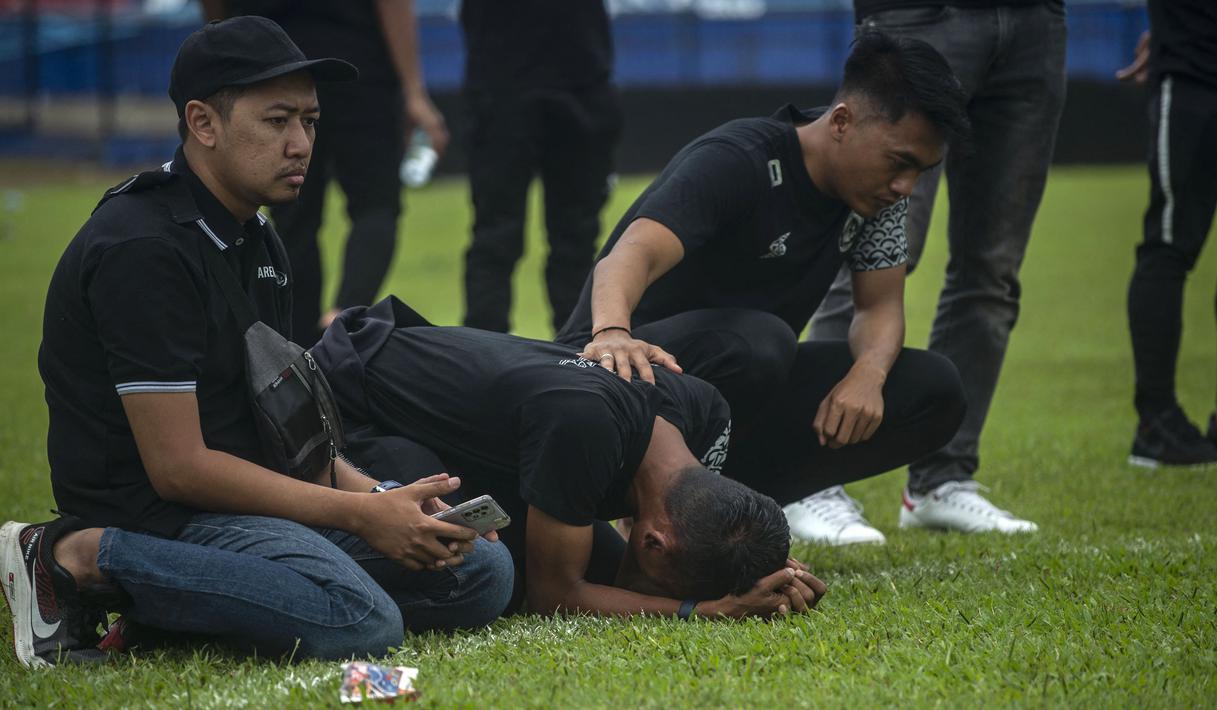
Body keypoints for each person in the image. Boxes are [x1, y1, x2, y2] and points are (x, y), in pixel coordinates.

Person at [1, 17, 511, 669]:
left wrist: (386, 502)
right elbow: (178, 468)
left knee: (482, 571)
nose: (300, 143)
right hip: (157, 515)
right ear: (203, 124)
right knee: (359, 624)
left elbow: (291, 437)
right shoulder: (143, 248)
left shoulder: (257, 238)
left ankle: (195, 611)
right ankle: (67, 555)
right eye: (277, 122)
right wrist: (359, 519)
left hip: (245, 503)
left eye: (310, 121)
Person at [555, 30, 969, 547]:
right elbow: (630, 253)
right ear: (841, 122)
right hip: (611, 380)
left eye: (921, 171)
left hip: (737, 387)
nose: (906, 186)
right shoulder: (740, 159)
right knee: (762, 343)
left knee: (933, 389)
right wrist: (613, 332)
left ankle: (726, 507)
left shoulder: (878, 200)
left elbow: (880, 306)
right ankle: (647, 510)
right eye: (899, 162)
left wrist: (868, 372)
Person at [312, 296, 827, 619]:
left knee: (596, 571)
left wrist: (755, 557)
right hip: (345, 404)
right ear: (652, 540)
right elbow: (554, 595)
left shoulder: (704, 411)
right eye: (658, 568)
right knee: (487, 572)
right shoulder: (584, 431)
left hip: (461, 426)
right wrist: (704, 608)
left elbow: (719, 523)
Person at [803, 0, 1068, 539]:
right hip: (920, 14)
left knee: (992, 271)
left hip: (1036, 20)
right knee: (870, 252)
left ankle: (941, 479)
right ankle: (809, 480)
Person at [204, 0, 449, 342]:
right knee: (373, 207)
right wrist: (413, 89)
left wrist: (221, 54)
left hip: (269, 68)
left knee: (293, 218)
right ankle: (341, 325)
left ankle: (302, 345)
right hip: (356, 64)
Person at [460, 0, 621, 333]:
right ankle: (482, 357)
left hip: (574, 77)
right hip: (506, 82)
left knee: (574, 237)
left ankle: (580, 352)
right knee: (497, 236)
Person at [1117, 2, 1217, 467]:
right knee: (1170, 245)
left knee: (1173, 246)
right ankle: (1156, 421)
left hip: (1196, 59)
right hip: (1194, 74)